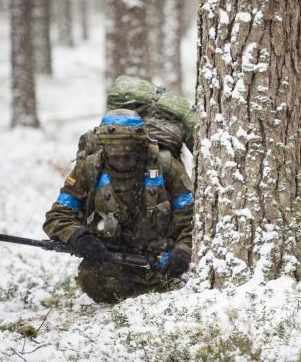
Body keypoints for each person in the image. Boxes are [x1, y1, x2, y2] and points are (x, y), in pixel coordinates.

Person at [43, 109, 194, 303]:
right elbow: (57, 215)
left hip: (161, 264)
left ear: (141, 145)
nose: (121, 158)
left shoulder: (165, 166)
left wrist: (183, 252)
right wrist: (80, 237)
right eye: (114, 152)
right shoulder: (89, 169)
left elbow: (191, 219)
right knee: (93, 279)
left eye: (128, 152)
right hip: (112, 266)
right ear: (103, 146)